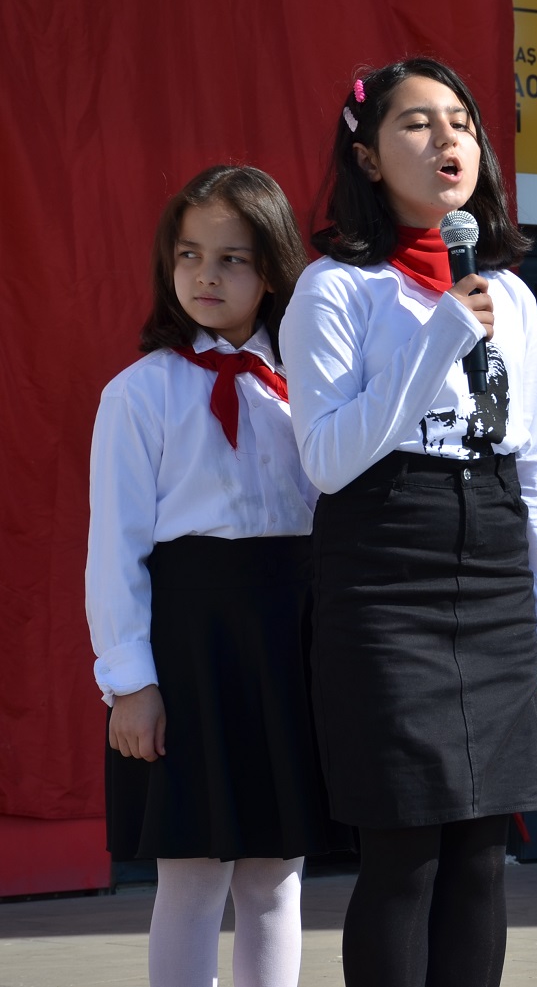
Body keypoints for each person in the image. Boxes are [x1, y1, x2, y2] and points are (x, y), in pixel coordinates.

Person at [279, 58, 537, 987]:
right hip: (383, 565)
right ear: (366, 157)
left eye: (461, 122)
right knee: (405, 854)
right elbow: (328, 458)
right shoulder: (333, 290)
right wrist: (439, 331)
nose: (447, 140)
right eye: (415, 124)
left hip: (490, 557)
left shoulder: (512, 295)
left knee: (484, 855)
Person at [86, 164, 348, 987]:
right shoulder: (140, 393)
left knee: (275, 871)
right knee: (192, 871)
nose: (206, 274)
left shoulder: (310, 390)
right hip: (190, 646)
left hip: (290, 642)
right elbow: (115, 546)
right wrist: (130, 681)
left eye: (232, 258)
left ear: (272, 270)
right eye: (190, 254)